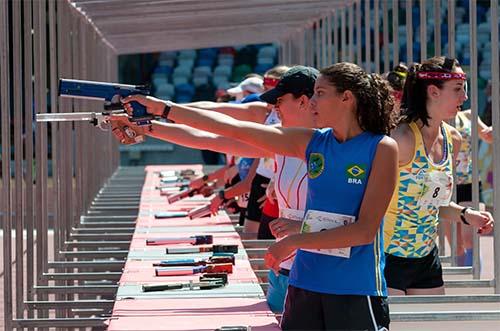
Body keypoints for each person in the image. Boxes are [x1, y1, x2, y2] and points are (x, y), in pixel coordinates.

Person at [121, 62, 398, 330]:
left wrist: (293, 241)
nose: (312, 101)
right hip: (305, 283)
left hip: (355, 287)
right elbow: (228, 128)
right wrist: (160, 111)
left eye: (320, 93)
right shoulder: (312, 142)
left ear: (346, 98)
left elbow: (364, 231)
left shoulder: (381, 148)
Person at [383, 56, 494, 296]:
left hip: (426, 260)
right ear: (433, 91)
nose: (464, 97)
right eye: (457, 89)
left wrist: (467, 215)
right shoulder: (400, 139)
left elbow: (435, 204)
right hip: (387, 258)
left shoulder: (453, 138)